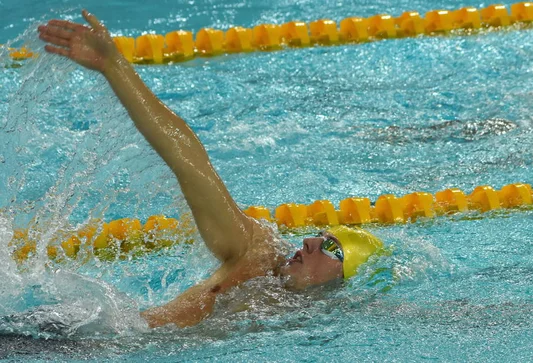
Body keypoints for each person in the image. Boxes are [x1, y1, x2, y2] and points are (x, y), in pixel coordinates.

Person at [37, 10, 384, 329]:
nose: (309, 241)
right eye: (320, 237)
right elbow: (189, 161)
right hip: (80, 338)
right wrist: (114, 67)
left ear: (345, 278)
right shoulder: (257, 253)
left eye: (330, 248)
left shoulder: (304, 324)